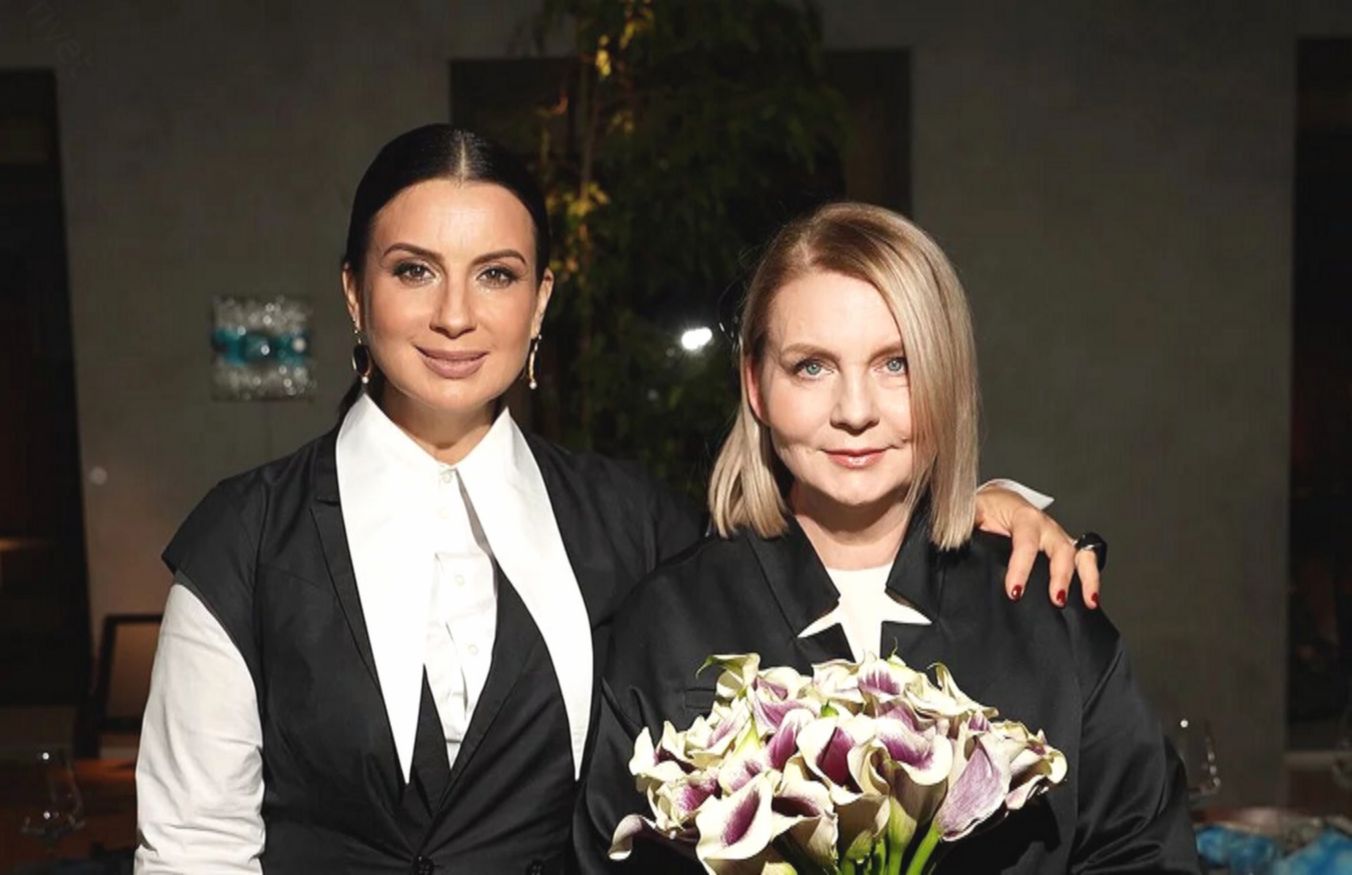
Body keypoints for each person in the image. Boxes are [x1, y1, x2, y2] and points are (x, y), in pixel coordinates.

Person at [134, 127, 1099, 873]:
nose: (456, 314)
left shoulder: (630, 520)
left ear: (541, 302)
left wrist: (985, 499)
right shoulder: (243, 538)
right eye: (413, 269)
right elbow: (191, 847)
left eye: (498, 275)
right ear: (355, 293)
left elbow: (806, 553)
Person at [577, 202, 1199, 873]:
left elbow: (1144, 854)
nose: (855, 411)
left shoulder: (1045, 614)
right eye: (812, 366)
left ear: (946, 378)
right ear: (756, 385)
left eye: (895, 364)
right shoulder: (667, 622)